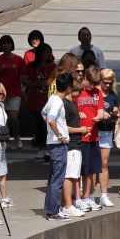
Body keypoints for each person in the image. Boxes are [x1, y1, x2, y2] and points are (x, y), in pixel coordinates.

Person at [41, 73, 72, 220]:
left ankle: (50, 209)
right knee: (58, 179)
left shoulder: (52, 98)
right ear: (68, 88)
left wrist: (52, 130)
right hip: (58, 144)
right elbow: (51, 120)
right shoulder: (59, 102)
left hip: (52, 143)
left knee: (53, 177)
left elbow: (43, 113)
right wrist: (59, 135)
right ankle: (53, 212)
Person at [75, 65, 105, 208]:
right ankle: (77, 197)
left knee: (90, 170)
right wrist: (78, 113)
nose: (92, 86)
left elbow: (100, 109)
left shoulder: (97, 93)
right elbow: (70, 107)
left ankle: (87, 196)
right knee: (79, 170)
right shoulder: (78, 92)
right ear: (85, 78)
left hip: (93, 136)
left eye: (95, 84)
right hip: (80, 137)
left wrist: (98, 117)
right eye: (90, 82)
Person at [0, 35, 25, 148]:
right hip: (0, 94)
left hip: (15, 93)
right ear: (0, 45)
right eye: (4, 43)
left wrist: (23, 89)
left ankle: (16, 137)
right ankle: (5, 139)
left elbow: (24, 76)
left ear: (12, 45)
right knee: (2, 118)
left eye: (8, 43)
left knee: (13, 117)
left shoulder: (19, 60)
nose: (6, 45)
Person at [24, 43, 57, 160]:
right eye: (45, 52)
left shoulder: (53, 67)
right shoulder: (31, 66)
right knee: (37, 125)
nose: (48, 54)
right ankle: (40, 148)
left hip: (48, 100)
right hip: (34, 99)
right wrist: (34, 84)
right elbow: (24, 79)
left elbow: (52, 81)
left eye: (49, 52)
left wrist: (46, 82)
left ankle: (48, 148)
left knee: (46, 125)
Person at [62, 80, 88, 218]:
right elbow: (63, 127)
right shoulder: (66, 104)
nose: (79, 95)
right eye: (78, 91)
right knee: (70, 176)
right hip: (71, 145)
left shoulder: (72, 104)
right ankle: (67, 206)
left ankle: (67, 204)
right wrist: (80, 129)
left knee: (73, 176)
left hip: (76, 144)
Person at [97, 68, 119, 207]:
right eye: (105, 82)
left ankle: (104, 195)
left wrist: (114, 113)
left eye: (110, 83)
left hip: (106, 131)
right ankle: (87, 194)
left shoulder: (113, 95)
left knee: (104, 164)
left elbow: (117, 113)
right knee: (91, 164)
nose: (107, 85)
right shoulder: (94, 93)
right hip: (94, 131)